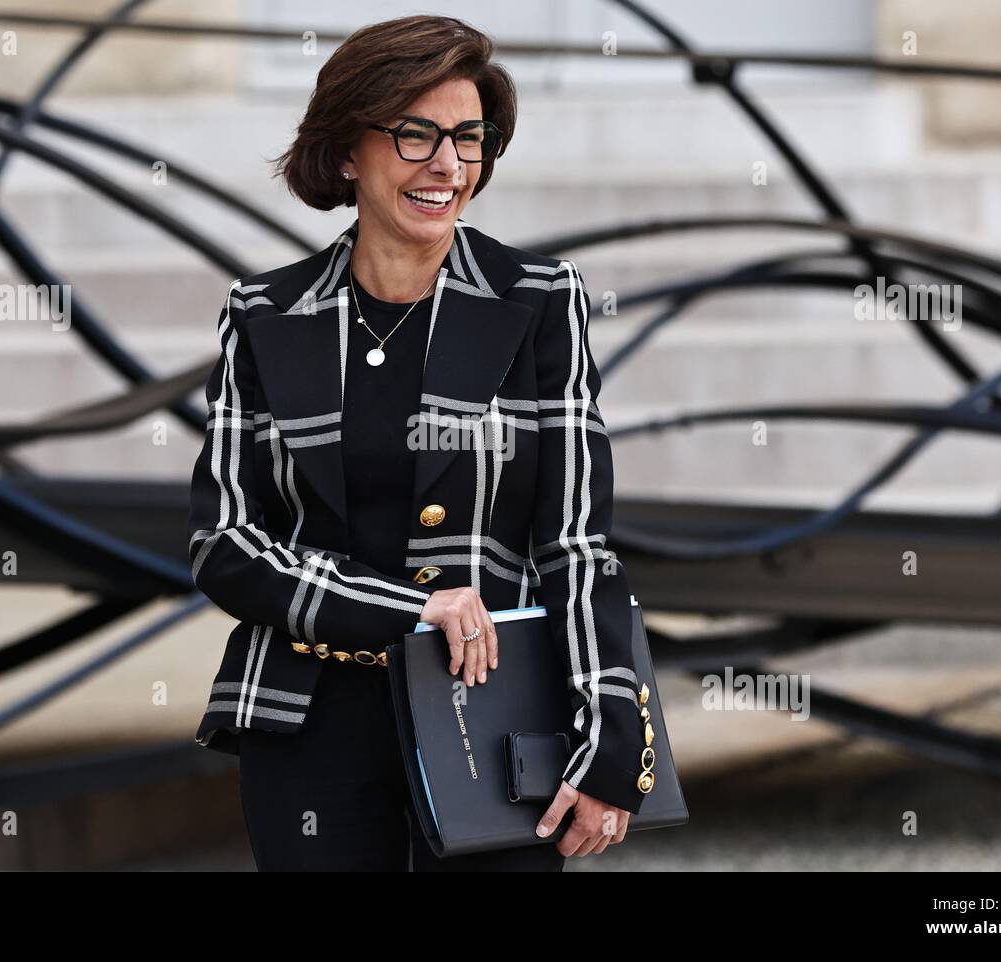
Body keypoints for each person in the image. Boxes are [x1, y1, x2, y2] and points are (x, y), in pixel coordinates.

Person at [186, 14, 652, 871]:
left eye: (468, 139)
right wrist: (413, 610)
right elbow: (225, 546)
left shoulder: (541, 299)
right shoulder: (265, 315)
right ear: (346, 152)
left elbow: (576, 541)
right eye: (415, 135)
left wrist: (613, 730)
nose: (448, 165)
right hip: (307, 719)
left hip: (495, 716)